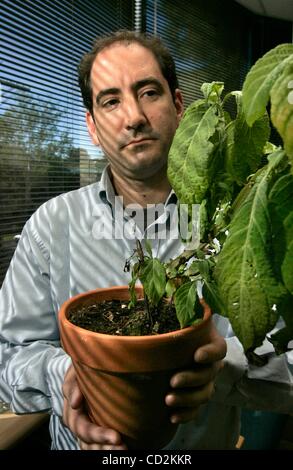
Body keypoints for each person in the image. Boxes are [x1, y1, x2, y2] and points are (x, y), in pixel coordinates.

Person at [0, 30, 292, 451]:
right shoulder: (52, 225)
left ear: (178, 106)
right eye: (111, 101)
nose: (133, 116)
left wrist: (225, 367)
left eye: (148, 92)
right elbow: (7, 355)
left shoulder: (243, 218)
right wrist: (67, 376)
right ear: (93, 127)